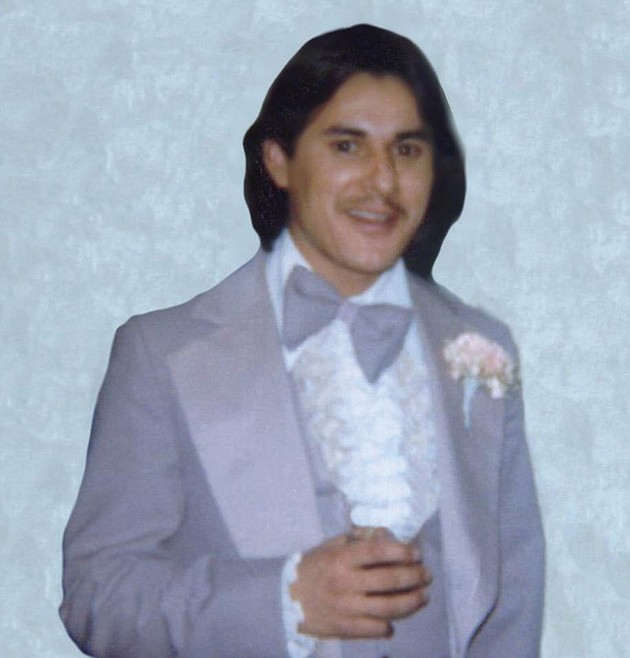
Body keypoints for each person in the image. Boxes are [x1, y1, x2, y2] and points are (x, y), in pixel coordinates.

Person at [60, 24, 544, 658]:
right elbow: (99, 595)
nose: (383, 182)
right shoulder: (159, 353)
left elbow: (512, 608)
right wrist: (284, 601)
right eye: (347, 146)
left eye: (407, 149)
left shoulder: (482, 350)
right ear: (278, 159)